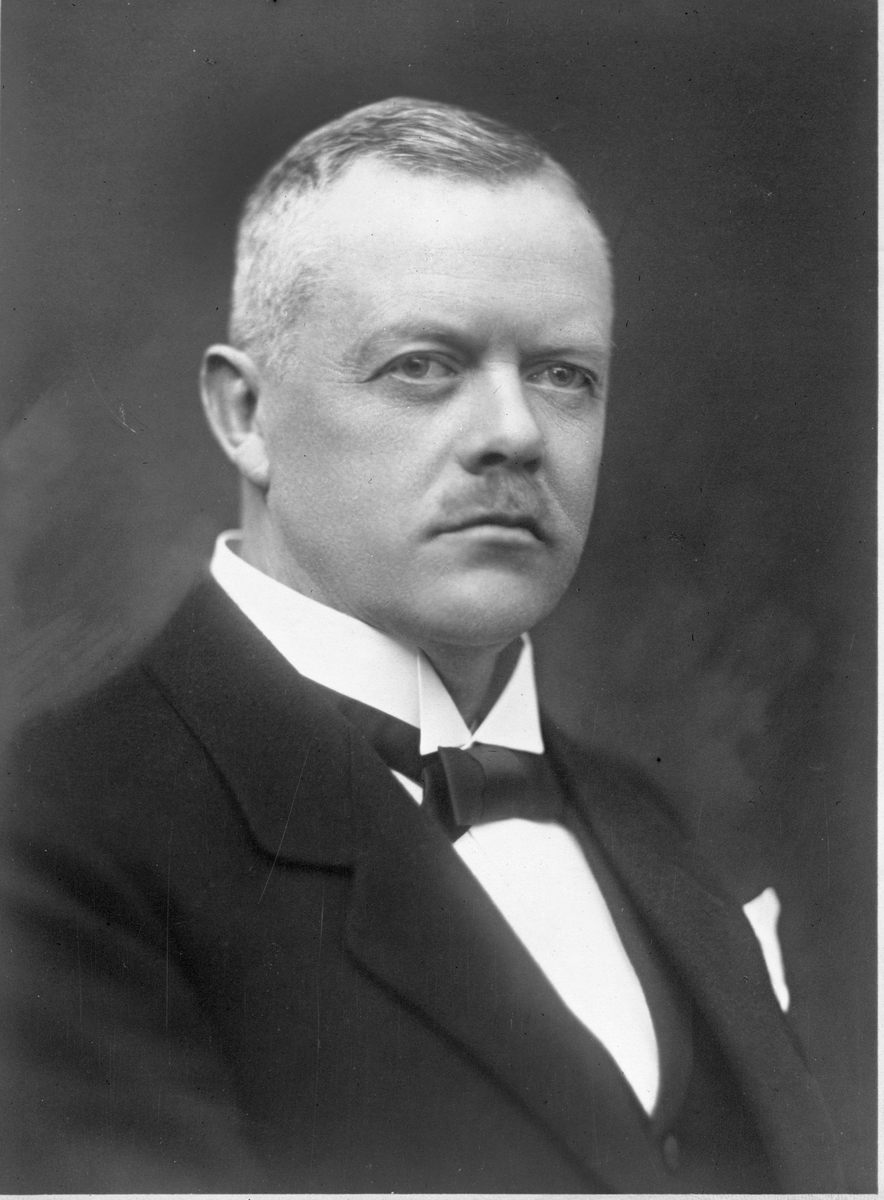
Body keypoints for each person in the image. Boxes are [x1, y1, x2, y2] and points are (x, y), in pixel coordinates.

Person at [0, 98, 843, 1193]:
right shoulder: (54, 831)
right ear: (245, 415)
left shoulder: (650, 824)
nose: (515, 433)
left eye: (563, 373)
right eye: (424, 365)